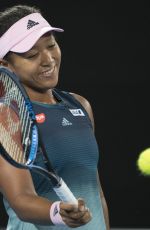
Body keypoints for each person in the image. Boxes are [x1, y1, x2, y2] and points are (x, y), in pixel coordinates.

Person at [0, 4, 110, 230]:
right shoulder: (7, 117)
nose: (48, 59)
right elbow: (21, 199)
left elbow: (96, 192)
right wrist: (57, 212)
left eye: (51, 45)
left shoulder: (80, 105)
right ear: (5, 65)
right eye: (32, 55)